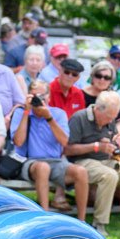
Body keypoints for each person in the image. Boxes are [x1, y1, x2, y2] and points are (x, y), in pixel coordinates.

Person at [65, 91, 120, 236]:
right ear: (98, 109)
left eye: (113, 117)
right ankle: (99, 223)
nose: (110, 121)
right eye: (108, 117)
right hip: (81, 162)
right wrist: (95, 146)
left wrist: (115, 145)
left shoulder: (110, 120)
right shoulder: (79, 118)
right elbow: (68, 150)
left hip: (107, 160)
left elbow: (111, 146)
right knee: (109, 176)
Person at [11, 79, 89, 216]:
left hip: (56, 162)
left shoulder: (58, 114)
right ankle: (44, 216)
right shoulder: (21, 113)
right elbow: (18, 142)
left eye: (42, 96)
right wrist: (26, 112)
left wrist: (49, 118)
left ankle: (82, 220)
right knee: (43, 167)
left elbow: (64, 142)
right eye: (35, 96)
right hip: (29, 162)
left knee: (81, 171)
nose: (39, 100)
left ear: (49, 97)